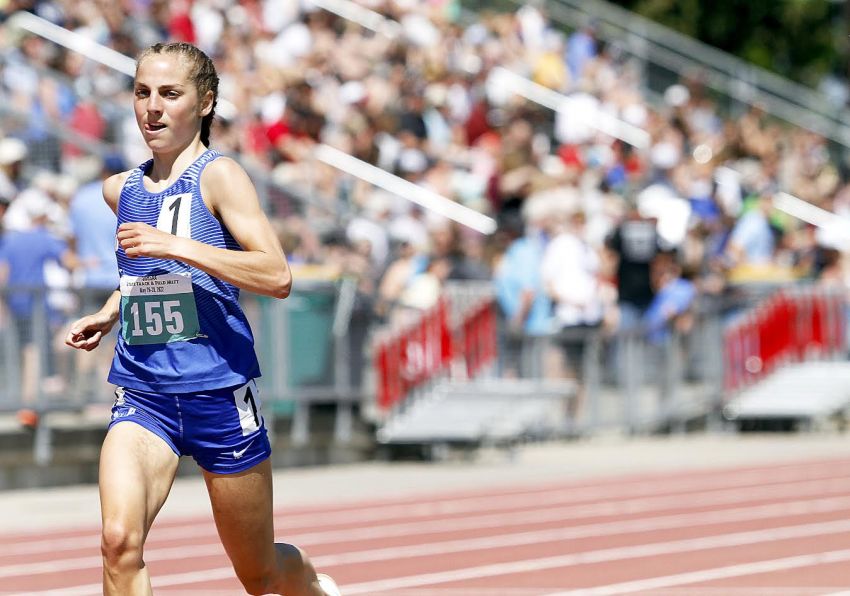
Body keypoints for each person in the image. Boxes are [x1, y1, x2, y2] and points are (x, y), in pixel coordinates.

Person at [64, 42, 341, 596]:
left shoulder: (220, 177)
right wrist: (111, 311)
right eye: (142, 93)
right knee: (118, 543)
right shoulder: (121, 189)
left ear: (205, 102)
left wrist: (176, 244)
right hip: (144, 393)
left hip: (219, 395)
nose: (153, 108)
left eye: (170, 94)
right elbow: (147, 276)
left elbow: (276, 274)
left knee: (259, 575)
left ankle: (311, 584)